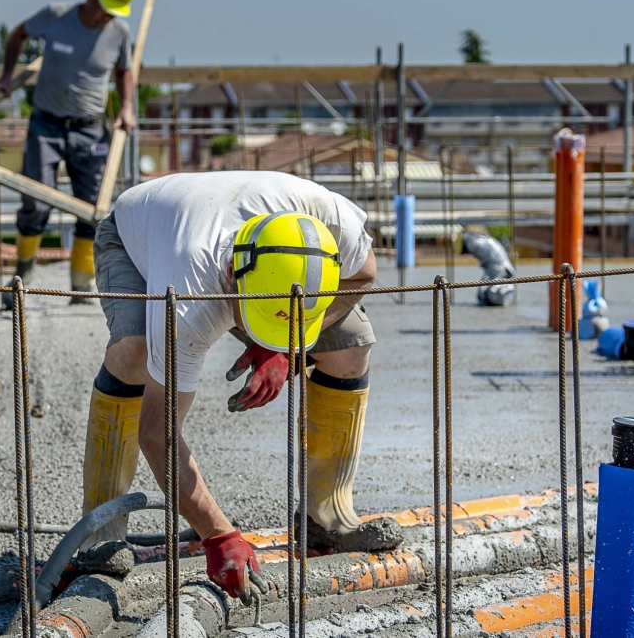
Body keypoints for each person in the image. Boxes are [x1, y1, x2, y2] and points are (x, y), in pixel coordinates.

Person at [82, 171, 403, 600]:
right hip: (134, 237)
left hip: (226, 236)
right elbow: (156, 431)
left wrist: (286, 347)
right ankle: (99, 535)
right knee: (135, 353)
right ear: (233, 278)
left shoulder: (332, 223)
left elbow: (363, 274)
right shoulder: (190, 294)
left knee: (350, 349)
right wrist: (218, 536)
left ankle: (327, 517)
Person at [0, 0, 137, 307]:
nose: (107, 17)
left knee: (93, 206)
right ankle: (23, 275)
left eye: (112, 12)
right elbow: (17, 35)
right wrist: (6, 77)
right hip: (46, 125)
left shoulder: (119, 31)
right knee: (35, 199)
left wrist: (127, 107)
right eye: (105, 9)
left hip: (90, 129)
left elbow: (125, 71)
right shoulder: (56, 16)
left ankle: (81, 284)